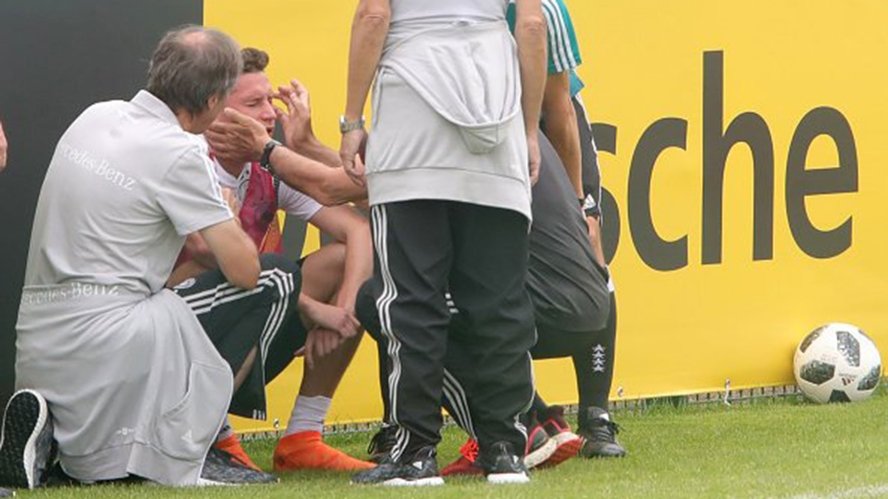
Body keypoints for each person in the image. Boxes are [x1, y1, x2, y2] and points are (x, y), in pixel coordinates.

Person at [0, 26, 315, 488]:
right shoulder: (180, 151)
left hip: (39, 341)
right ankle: (186, 447)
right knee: (278, 277)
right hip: (112, 338)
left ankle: (56, 444)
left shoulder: (94, 116)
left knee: (158, 299)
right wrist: (227, 216)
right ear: (213, 99)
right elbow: (246, 271)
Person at [335, 0, 546, 487]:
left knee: (411, 299)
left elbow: (373, 15)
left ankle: (414, 453)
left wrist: (352, 120)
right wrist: (530, 131)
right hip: (496, 109)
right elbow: (533, 26)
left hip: (411, 114)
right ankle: (504, 449)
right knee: (500, 301)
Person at [171, 47, 374, 473]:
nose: (270, 114)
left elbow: (359, 228)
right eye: (254, 103)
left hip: (249, 316)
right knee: (241, 273)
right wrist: (313, 308)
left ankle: (303, 436)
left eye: (270, 100)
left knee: (344, 265)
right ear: (215, 110)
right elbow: (209, 264)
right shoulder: (187, 160)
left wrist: (342, 314)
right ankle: (215, 438)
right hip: (171, 344)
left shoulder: (266, 166)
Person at [362, 132, 613, 475]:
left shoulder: (453, 134)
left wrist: (291, 153)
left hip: (531, 308)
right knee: (451, 292)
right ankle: (540, 419)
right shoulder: (511, 126)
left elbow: (380, 191)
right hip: (587, 311)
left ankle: (507, 434)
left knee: (389, 301)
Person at [510, 0, 626, 459]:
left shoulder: (544, 11)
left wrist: (578, 204)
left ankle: (596, 417)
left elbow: (559, 110)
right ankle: (534, 413)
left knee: (589, 251)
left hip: (549, 124)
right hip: (486, 128)